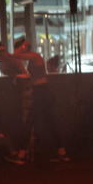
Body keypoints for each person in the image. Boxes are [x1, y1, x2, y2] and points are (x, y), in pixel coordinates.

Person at [7, 36, 69, 164]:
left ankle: (21, 155)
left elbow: (15, 55)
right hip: (42, 92)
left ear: (24, 47)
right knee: (50, 123)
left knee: (30, 123)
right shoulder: (33, 58)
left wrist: (22, 45)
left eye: (20, 47)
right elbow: (31, 74)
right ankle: (62, 153)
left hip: (41, 93)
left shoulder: (35, 56)